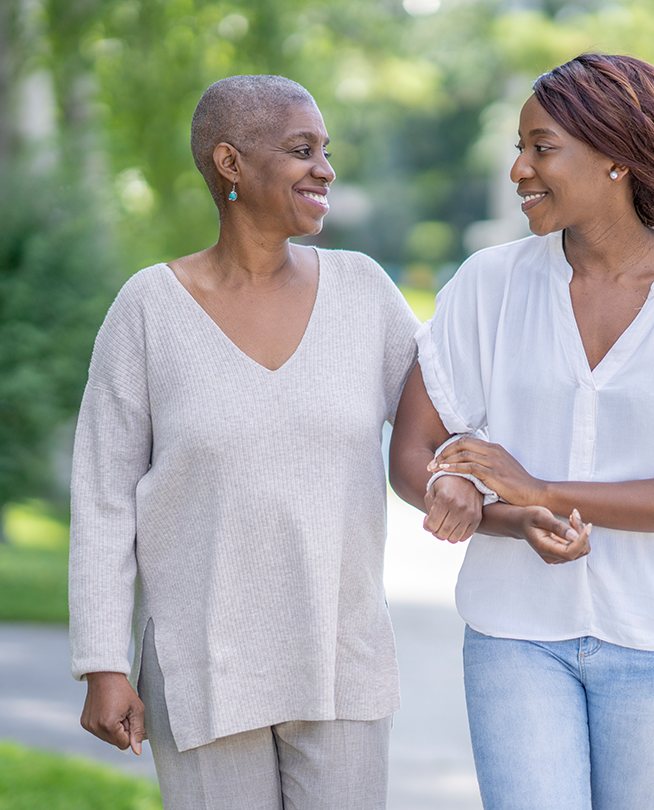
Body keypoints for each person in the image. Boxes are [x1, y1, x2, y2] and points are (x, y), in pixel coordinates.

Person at [389, 53, 654, 810]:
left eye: (541, 147)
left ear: (613, 157)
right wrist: (477, 501)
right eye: (519, 146)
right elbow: (413, 451)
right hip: (515, 635)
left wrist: (543, 490)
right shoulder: (488, 284)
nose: (518, 170)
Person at [69, 75, 418, 810]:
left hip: (340, 658)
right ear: (230, 163)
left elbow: (445, 424)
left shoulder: (366, 294)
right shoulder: (148, 310)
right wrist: (102, 664)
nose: (325, 168)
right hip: (203, 665)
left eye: (325, 151)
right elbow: (103, 498)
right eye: (302, 150)